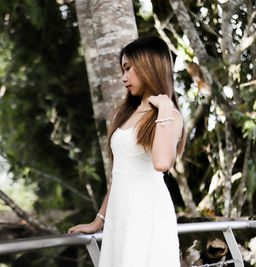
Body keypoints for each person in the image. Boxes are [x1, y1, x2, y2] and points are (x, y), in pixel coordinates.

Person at [68, 36, 185, 267]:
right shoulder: (128, 113)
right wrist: (98, 221)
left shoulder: (169, 115)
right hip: (121, 218)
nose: (124, 77)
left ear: (149, 65)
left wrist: (164, 108)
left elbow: (162, 163)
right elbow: (121, 175)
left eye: (128, 68)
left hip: (148, 214)